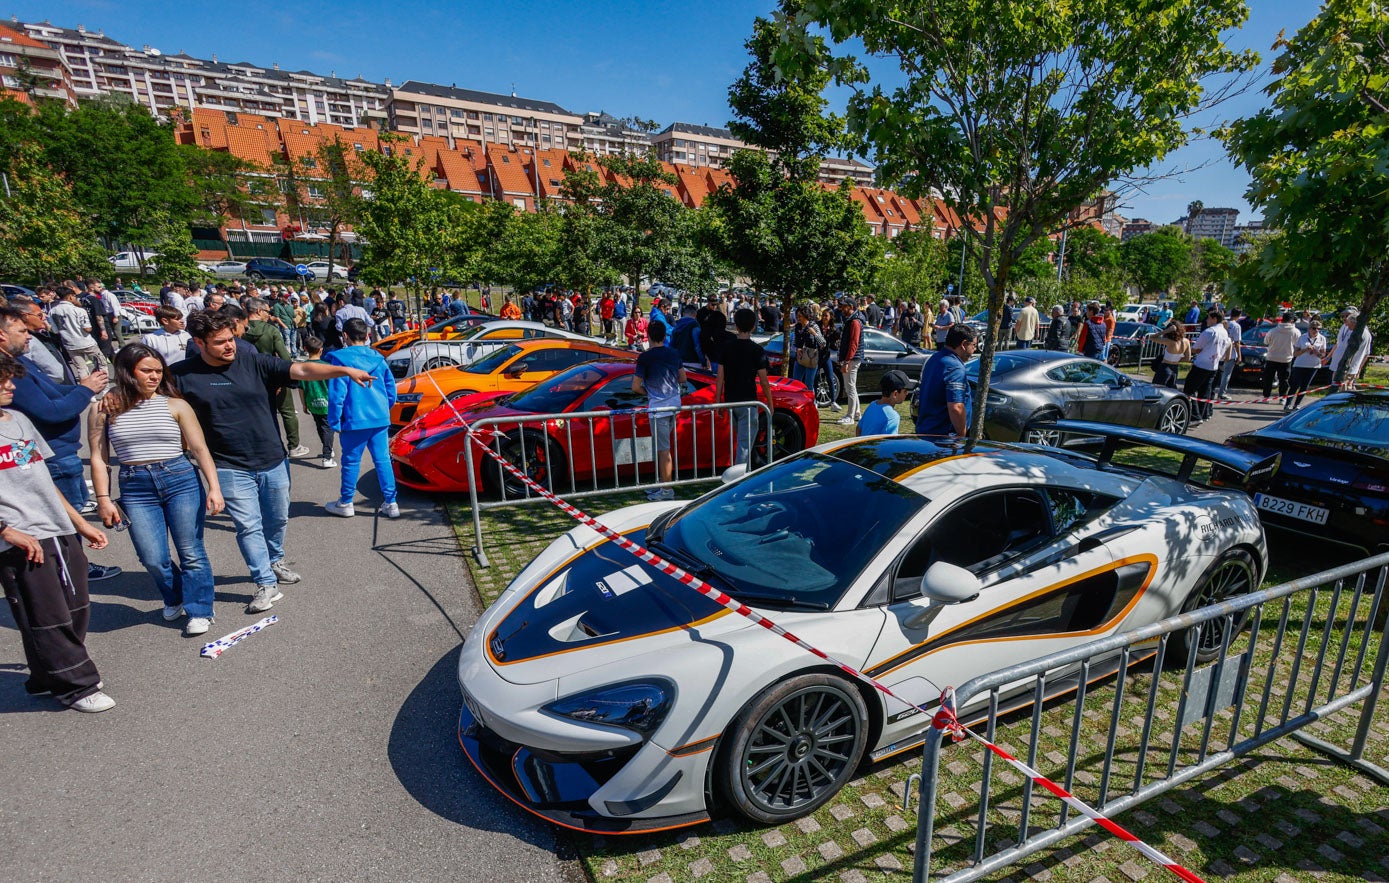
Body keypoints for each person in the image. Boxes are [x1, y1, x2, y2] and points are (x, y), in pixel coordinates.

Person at [172, 311, 373, 613]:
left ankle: (275, 559)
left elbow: (302, 370)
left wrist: (344, 371)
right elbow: (148, 395)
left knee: (278, 519)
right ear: (199, 342)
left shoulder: (253, 361)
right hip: (228, 465)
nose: (230, 346)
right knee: (248, 526)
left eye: (232, 338)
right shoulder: (181, 374)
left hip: (272, 459)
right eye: (220, 342)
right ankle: (265, 582)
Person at [0, 352, 115, 712]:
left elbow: (43, 480)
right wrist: (6, 532)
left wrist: (81, 524)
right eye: (2, 380)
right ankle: (77, 686)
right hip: (20, 538)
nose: (11, 385)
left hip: (56, 527)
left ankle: (46, 675)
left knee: (75, 604)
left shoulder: (18, 420)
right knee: (47, 614)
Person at [88, 344, 224, 637]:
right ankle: (175, 595)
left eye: (159, 371)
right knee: (152, 556)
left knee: (191, 550)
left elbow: (200, 449)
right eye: (146, 371)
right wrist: (103, 499)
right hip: (135, 485)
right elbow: (99, 459)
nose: (154, 377)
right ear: (126, 372)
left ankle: (200, 608)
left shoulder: (175, 405)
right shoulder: (104, 409)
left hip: (180, 478)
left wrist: (214, 487)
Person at [323, 319, 399, 519]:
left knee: (350, 462)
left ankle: (346, 501)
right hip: (379, 418)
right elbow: (391, 390)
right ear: (367, 336)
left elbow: (336, 395)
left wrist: (334, 421)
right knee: (383, 460)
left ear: (345, 336)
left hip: (354, 418)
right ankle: (391, 502)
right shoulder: (378, 359)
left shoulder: (340, 360)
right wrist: (384, 408)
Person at [244, 297, 310, 458]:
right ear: (259, 311)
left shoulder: (240, 330)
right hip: (273, 375)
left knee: (261, 413)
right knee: (287, 412)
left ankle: (266, 447)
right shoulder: (270, 330)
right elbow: (285, 358)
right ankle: (294, 446)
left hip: (249, 377)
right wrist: (285, 379)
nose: (270, 315)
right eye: (268, 311)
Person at [632, 320, 686, 503]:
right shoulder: (673, 354)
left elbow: (635, 386)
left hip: (658, 408)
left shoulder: (645, 357)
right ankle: (663, 483)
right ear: (665, 335)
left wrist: (650, 392)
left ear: (648, 335)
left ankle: (667, 489)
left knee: (663, 450)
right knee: (663, 449)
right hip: (673, 404)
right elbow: (683, 377)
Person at [717, 309, 774, 467]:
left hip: (730, 401)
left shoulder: (727, 348)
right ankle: (739, 479)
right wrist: (770, 403)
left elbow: (720, 377)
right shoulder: (757, 350)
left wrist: (718, 403)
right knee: (744, 444)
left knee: (743, 442)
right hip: (748, 402)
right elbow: (764, 381)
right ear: (754, 326)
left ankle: (743, 473)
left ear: (736, 325)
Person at [916, 324, 977, 438]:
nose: (975, 349)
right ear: (964, 344)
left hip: (925, 431)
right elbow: (956, 407)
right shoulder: (955, 368)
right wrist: (961, 435)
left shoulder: (934, 358)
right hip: (944, 438)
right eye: (973, 345)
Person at [49, 287, 107, 379]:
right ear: (70, 297)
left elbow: (55, 330)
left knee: (81, 368)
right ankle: (104, 387)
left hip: (69, 344)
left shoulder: (53, 311)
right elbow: (87, 328)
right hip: (86, 342)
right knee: (101, 364)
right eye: (74, 296)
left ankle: (87, 389)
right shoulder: (79, 310)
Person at [1184, 309, 1230, 424]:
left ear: (1214, 319)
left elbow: (1196, 348)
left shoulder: (1209, 332)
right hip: (1213, 365)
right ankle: (1203, 414)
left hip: (1201, 364)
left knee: (1189, 390)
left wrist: (1188, 350)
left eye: (1209, 318)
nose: (1207, 320)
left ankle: (1195, 416)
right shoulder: (1225, 332)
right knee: (1205, 392)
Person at [298, 335, 336, 468]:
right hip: (327, 403)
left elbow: (301, 388)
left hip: (312, 402)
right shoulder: (327, 367)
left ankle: (328, 449)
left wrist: (304, 404)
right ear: (321, 350)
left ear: (305, 349)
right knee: (328, 429)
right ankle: (327, 456)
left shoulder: (302, 367)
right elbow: (334, 387)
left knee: (320, 427)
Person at [836, 295, 867, 426]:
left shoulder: (855, 321)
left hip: (852, 359)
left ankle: (850, 416)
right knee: (852, 387)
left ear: (851, 307)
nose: (842, 308)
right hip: (852, 358)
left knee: (849, 389)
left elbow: (853, 344)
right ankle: (857, 413)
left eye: (844, 306)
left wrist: (846, 361)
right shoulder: (851, 319)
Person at [1288, 319, 1329, 411]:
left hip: (1313, 366)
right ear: (1309, 329)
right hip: (1300, 365)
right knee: (1295, 385)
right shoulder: (1302, 337)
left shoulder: (1322, 338)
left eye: (1319, 329)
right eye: (1314, 328)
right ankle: (1288, 404)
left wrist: (1316, 352)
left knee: (1305, 386)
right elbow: (1295, 353)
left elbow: (1323, 355)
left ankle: (1297, 404)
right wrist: (1305, 349)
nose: (1316, 331)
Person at [1329, 308, 1373, 390]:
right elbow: (1338, 344)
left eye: (1347, 316)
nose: (1347, 325)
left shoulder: (1358, 334)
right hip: (1344, 367)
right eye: (1343, 316)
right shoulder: (1352, 329)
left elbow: (1365, 353)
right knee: (1346, 389)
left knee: (1342, 391)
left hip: (1346, 368)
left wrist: (1359, 368)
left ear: (1354, 322)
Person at [857, 370, 909, 436]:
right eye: (905, 391)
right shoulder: (892, 417)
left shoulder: (872, 405)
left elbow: (858, 429)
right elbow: (889, 443)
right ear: (895, 394)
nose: (907, 393)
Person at [1261, 312, 1299, 401]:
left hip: (1272, 357)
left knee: (1268, 378)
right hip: (1286, 358)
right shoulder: (1296, 332)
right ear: (1292, 320)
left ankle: (1266, 396)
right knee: (1284, 379)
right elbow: (1297, 344)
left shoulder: (1273, 330)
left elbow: (1266, 342)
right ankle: (1282, 397)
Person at [791, 306, 825, 397]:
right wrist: (797, 349)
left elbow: (823, 343)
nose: (798, 318)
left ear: (806, 316)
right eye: (797, 316)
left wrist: (814, 334)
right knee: (796, 383)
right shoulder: (797, 327)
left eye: (800, 316)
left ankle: (811, 404)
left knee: (808, 384)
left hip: (811, 358)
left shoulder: (814, 326)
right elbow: (793, 344)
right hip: (800, 358)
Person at [1213, 309, 1243, 400]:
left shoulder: (1224, 323)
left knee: (1217, 372)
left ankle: (1212, 390)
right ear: (1239, 315)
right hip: (1231, 351)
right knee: (1226, 374)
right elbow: (1237, 342)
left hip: (1220, 350)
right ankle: (1222, 392)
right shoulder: (1236, 326)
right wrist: (1239, 355)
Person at [1152, 321, 1190, 389]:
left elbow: (1152, 337)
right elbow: (1187, 358)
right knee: (1171, 389)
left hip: (1165, 367)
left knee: (1156, 388)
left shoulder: (1169, 341)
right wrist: (1176, 359)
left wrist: (1165, 331)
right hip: (1175, 368)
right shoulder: (1186, 341)